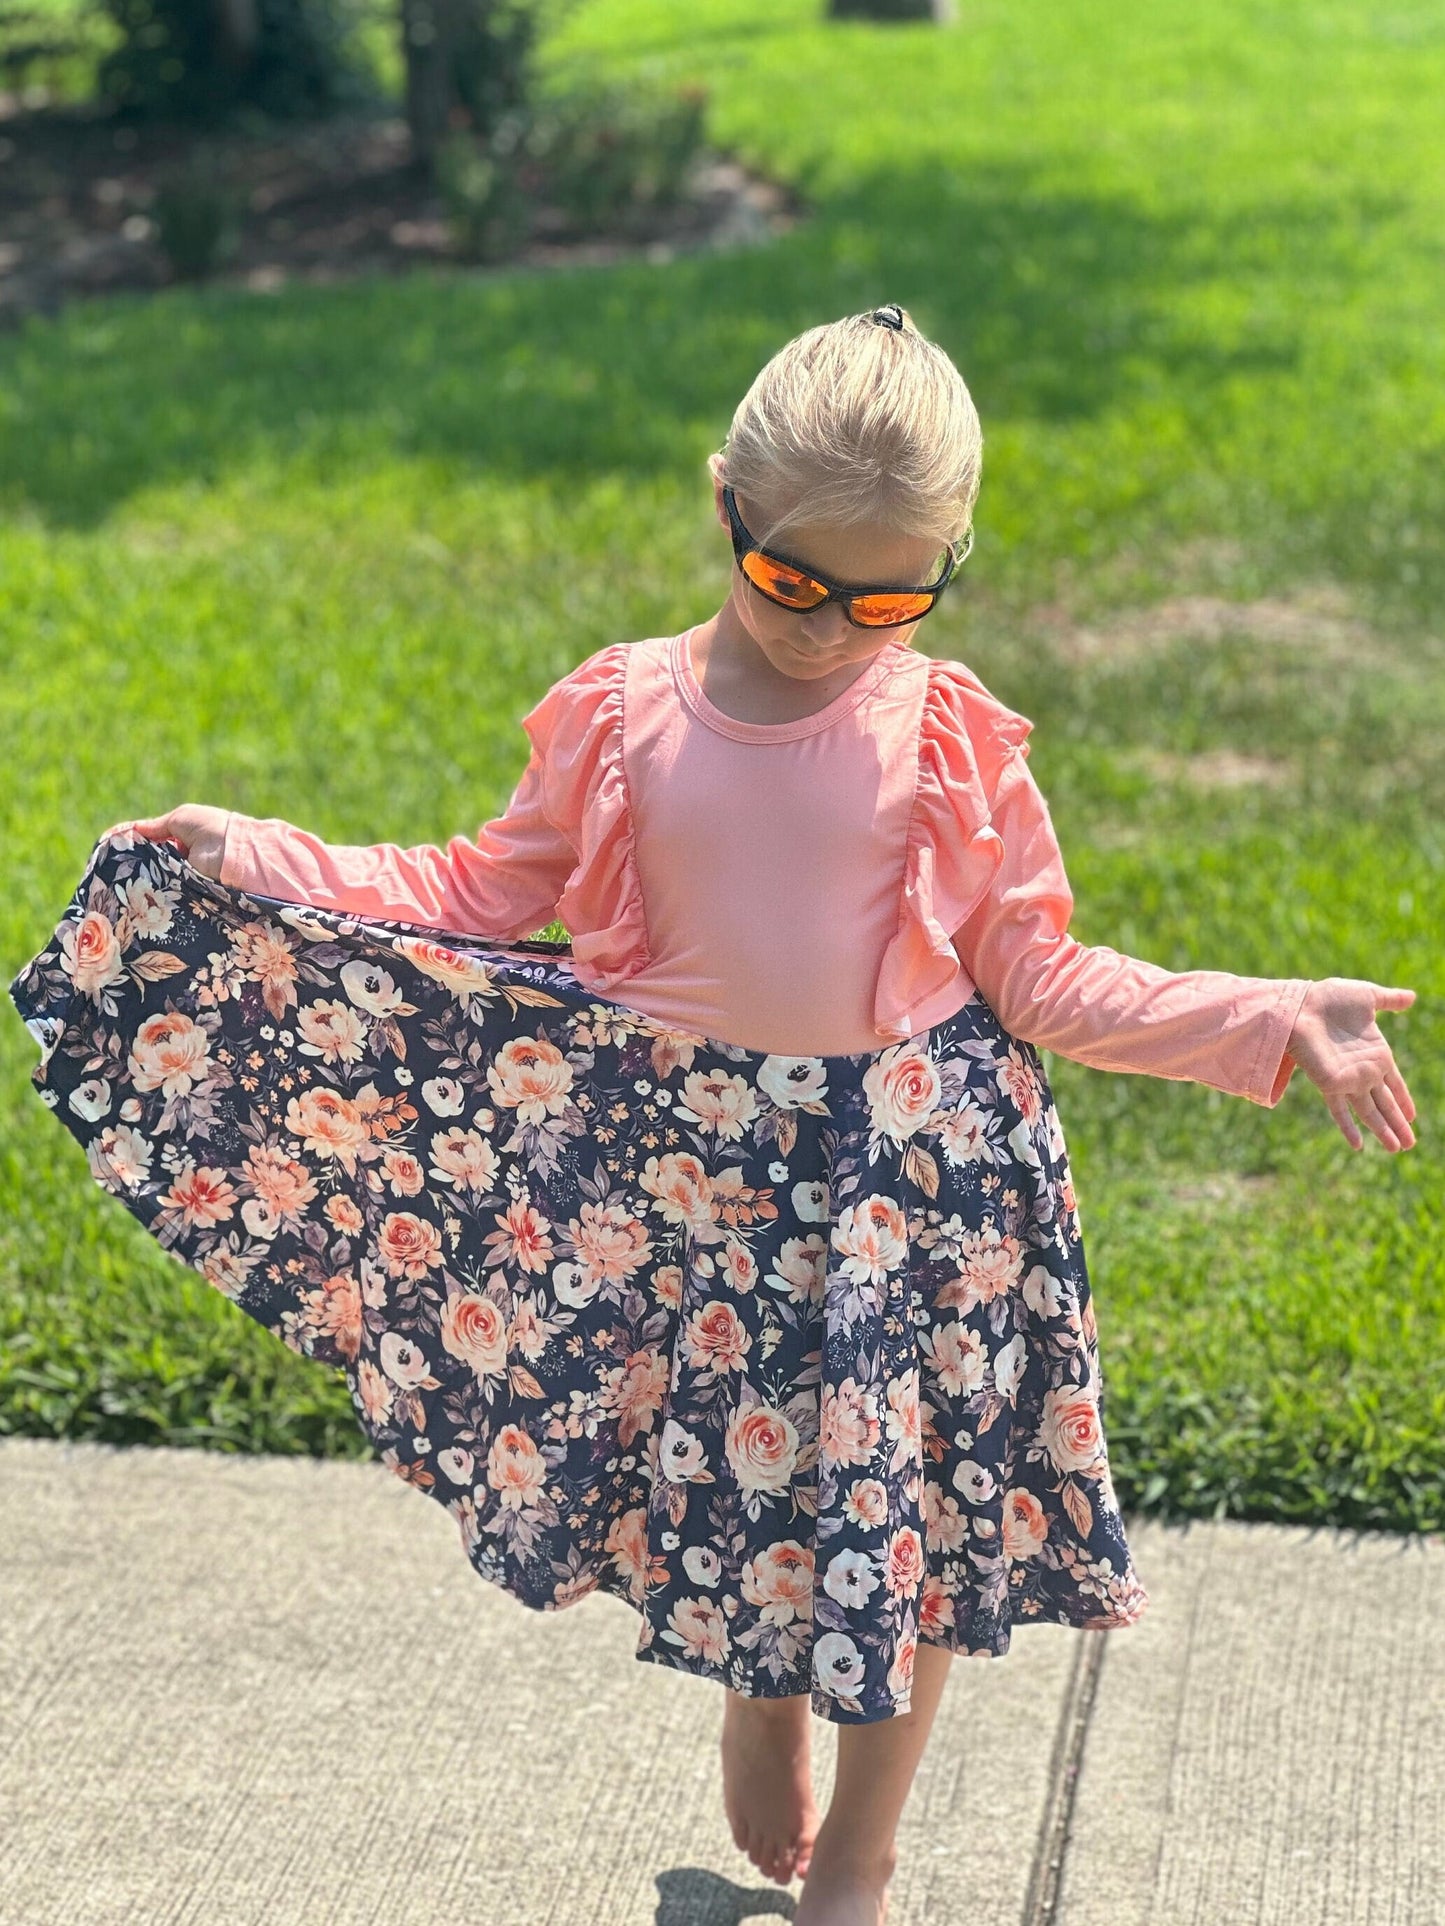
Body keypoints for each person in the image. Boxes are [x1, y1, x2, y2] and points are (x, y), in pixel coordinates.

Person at [15, 306, 1417, 1926]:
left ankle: (864, 1860)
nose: (834, 628)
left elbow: (1037, 973)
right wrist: (266, 854)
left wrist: (1261, 1016)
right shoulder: (626, 719)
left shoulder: (943, 732)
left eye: (891, 596)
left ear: (949, 562)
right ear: (724, 507)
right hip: (707, 1185)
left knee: (905, 1522)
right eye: (794, 582)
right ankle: (762, 1691)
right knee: (753, 1490)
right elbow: (473, 891)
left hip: (924, 1191)